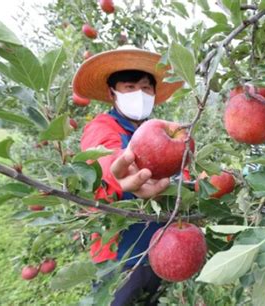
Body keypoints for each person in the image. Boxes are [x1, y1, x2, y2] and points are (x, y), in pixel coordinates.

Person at [72, 47, 184, 305]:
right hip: (118, 257)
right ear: (113, 93)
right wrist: (117, 175)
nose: (140, 94)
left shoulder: (162, 131)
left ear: (155, 93)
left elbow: (180, 173)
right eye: (130, 87)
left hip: (158, 249)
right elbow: (103, 157)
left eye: (146, 88)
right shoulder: (102, 127)